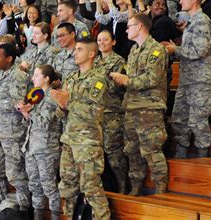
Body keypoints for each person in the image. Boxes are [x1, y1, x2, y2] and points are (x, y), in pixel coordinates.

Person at [51, 38, 110, 219]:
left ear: (92, 53)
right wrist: (61, 106)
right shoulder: (70, 78)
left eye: (79, 50)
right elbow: (60, 115)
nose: (75, 53)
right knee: (67, 188)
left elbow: (95, 110)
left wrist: (67, 102)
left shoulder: (98, 79)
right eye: (75, 49)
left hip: (88, 142)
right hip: (69, 140)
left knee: (91, 188)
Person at [111, 13, 168, 196]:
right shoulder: (134, 50)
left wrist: (127, 80)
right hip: (132, 107)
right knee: (132, 150)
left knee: (151, 150)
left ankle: (160, 187)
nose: (127, 29)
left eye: (129, 26)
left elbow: (152, 78)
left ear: (140, 27)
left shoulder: (156, 50)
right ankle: (136, 185)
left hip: (149, 107)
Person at [163, 0, 211, 159]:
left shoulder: (201, 21)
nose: (180, 2)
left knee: (198, 120)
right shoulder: (192, 22)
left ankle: (203, 157)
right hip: (188, 79)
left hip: (200, 80)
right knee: (179, 117)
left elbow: (200, 50)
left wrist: (175, 50)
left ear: (194, 0)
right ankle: (181, 153)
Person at [0, 44, 30, 215]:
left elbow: (17, 104)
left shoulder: (18, 76)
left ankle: (24, 210)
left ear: (9, 58)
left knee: (15, 174)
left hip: (12, 133)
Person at [18, 65, 61, 220]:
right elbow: (31, 123)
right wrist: (25, 112)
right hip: (31, 146)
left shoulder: (51, 97)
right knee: (34, 186)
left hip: (46, 148)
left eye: (36, 75)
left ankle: (56, 216)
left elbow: (45, 123)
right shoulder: (37, 97)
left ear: (46, 78)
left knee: (49, 187)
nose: (32, 78)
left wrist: (31, 110)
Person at [94, 29, 127, 193]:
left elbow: (116, 86)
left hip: (113, 113)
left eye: (105, 40)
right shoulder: (95, 62)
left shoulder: (119, 61)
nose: (101, 43)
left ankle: (122, 185)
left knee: (113, 152)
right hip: (97, 114)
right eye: (99, 40)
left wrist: (100, 83)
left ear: (113, 42)